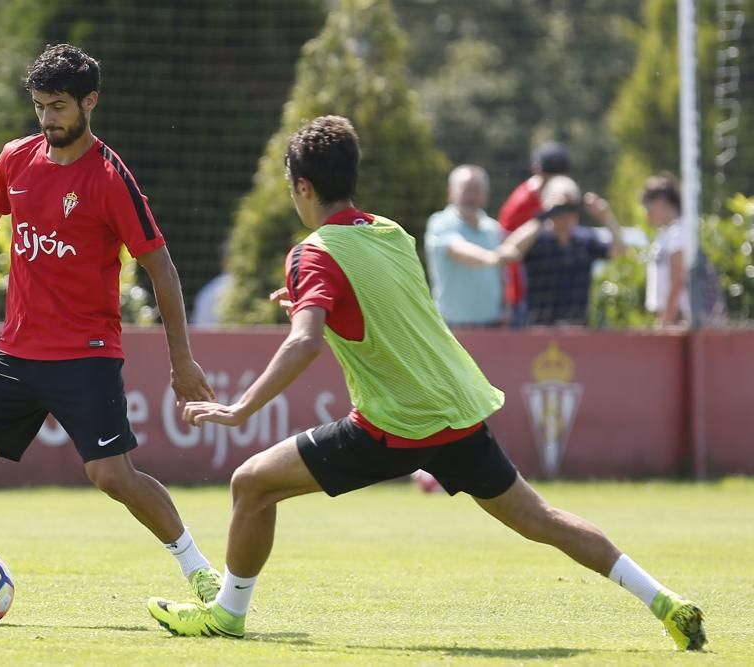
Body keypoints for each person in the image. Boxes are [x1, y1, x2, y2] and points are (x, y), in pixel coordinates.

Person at [144, 115, 706, 652]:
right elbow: (380, 303)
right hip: (457, 414)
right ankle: (663, 601)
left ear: (303, 187)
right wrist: (309, 302)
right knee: (542, 520)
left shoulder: (311, 253)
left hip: (393, 425)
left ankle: (228, 614)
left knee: (250, 483)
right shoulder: (390, 232)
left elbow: (305, 342)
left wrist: (240, 408)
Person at [0, 44, 222, 622]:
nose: (48, 119)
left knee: (111, 476)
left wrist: (182, 362)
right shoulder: (17, 159)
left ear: (89, 102)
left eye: (58, 106)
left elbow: (162, 269)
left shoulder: (111, 178)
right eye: (39, 106)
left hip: (86, 354)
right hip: (16, 351)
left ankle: (200, 572)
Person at [502, 175, 625, 326]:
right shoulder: (535, 239)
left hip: (577, 327)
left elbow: (620, 251)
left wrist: (606, 217)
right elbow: (508, 250)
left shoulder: (585, 240)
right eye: (560, 209)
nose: (565, 215)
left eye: (570, 208)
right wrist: (543, 216)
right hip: (538, 327)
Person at [424, 165, 509, 328]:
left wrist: (507, 308)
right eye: (466, 189)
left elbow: (502, 276)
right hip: (451, 328)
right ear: (451, 193)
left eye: (477, 190)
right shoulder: (440, 223)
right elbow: (459, 251)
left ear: (485, 195)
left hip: (493, 325)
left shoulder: (494, 229)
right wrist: (494, 257)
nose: (471, 196)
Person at [497, 142, 571, 327]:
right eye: (550, 176)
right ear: (537, 170)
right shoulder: (521, 203)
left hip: (551, 289)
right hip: (522, 296)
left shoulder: (563, 196)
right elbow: (506, 249)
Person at [640, 173, 723, 327]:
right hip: (676, 319)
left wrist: (665, 322)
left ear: (660, 201)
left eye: (648, 206)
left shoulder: (680, 232)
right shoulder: (666, 235)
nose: (646, 214)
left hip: (687, 319)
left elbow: (677, 280)